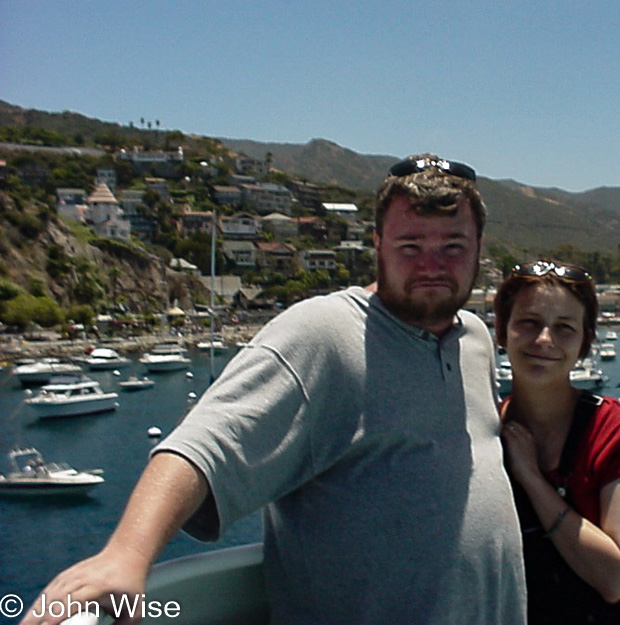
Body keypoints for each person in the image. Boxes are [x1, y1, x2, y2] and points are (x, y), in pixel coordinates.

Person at [22, 154, 527, 625]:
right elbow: (203, 444)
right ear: (377, 244)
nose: (432, 265)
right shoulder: (324, 333)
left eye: (452, 247)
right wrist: (125, 557)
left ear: (480, 249)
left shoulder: (474, 337)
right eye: (410, 245)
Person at [494, 260, 620, 625]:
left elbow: (617, 577)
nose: (544, 339)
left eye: (564, 328)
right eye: (528, 322)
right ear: (501, 331)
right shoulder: (482, 429)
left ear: (585, 342)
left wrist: (531, 478)